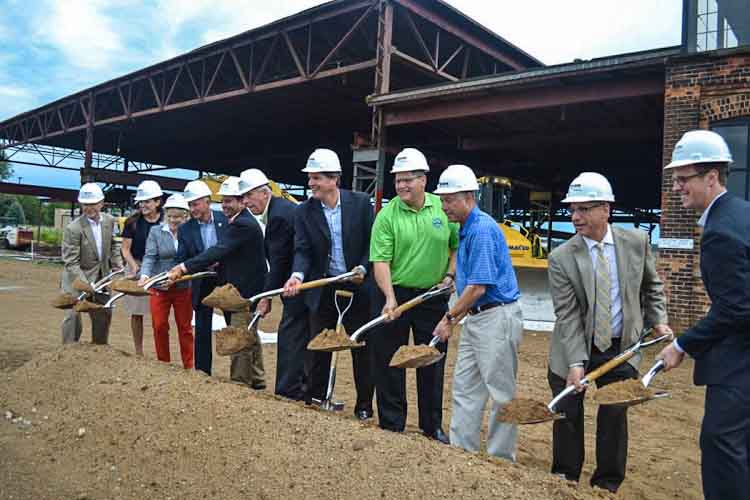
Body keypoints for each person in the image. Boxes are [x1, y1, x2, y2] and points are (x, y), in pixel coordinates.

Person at [547, 172, 670, 492]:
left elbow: (651, 286)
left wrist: (658, 319)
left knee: (615, 412)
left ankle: (607, 483)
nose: (575, 217)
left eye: (584, 209)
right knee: (567, 412)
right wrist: (576, 362)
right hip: (574, 344)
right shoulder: (561, 257)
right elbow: (568, 314)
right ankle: (565, 477)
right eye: (572, 209)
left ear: (606, 209)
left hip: (622, 345)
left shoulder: (635, 243)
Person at [657, 130, 750, 500]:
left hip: (739, 363)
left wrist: (682, 343)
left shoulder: (721, 232)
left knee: (721, 445)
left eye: (684, 179)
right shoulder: (742, 213)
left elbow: (736, 308)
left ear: (712, 177)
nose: (677, 187)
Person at [432, 164, 522, 461]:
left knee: (500, 391)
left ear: (469, 196)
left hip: (496, 316)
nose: (444, 206)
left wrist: (449, 319)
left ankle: (500, 458)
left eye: (449, 200)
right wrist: (450, 278)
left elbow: (479, 287)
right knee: (465, 386)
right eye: (442, 200)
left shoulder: (482, 229)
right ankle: (462, 453)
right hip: (478, 316)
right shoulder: (465, 228)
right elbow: (467, 277)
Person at [369, 148, 457, 443]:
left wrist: (451, 275)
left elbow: (456, 246)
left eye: (408, 180)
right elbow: (380, 260)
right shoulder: (387, 215)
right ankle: (392, 424)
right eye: (398, 180)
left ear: (423, 180)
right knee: (390, 359)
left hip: (433, 296)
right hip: (397, 294)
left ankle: (432, 426)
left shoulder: (442, 209)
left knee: (431, 359)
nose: (402, 186)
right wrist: (389, 297)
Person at [283, 148, 375, 420]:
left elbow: (373, 244)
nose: (311, 184)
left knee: (361, 347)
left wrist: (362, 268)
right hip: (325, 287)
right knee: (319, 345)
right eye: (310, 178)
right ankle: (315, 397)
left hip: (358, 286)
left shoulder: (360, 203)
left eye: (316, 178)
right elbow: (302, 249)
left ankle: (364, 406)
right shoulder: (304, 211)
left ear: (334, 178)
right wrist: (298, 275)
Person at [169, 177, 268, 389]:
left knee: (239, 335)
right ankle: (257, 381)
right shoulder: (239, 221)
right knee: (247, 333)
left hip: (241, 289)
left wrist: (184, 268)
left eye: (230, 201)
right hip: (221, 285)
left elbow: (219, 250)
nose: (225, 205)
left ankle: (240, 384)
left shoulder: (241, 224)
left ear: (242, 201)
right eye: (223, 201)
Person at [240, 168, 309, 400]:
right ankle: (302, 387)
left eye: (250, 196)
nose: (246, 202)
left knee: (291, 334)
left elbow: (278, 262)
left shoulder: (279, 216)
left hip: (298, 284)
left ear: (265, 192)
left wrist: (265, 297)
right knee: (302, 333)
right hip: (300, 280)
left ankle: (288, 389)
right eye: (244, 197)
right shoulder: (281, 210)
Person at [175, 180, 227, 375]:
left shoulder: (226, 220)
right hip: (202, 281)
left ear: (207, 201)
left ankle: (241, 376)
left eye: (195, 204)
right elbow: (181, 258)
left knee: (233, 323)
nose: (192, 209)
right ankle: (203, 372)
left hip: (226, 280)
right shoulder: (185, 229)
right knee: (203, 329)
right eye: (190, 205)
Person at [60, 183, 123, 344]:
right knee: (73, 316)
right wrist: (85, 284)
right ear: (81, 204)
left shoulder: (110, 221)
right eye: (86, 204)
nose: (90, 208)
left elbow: (115, 244)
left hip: (102, 277)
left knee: (104, 313)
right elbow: (71, 262)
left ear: (101, 203)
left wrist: (117, 263)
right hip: (77, 278)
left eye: (93, 204)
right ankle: (67, 352)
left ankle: (99, 350)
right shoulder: (73, 228)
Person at [138, 194, 194, 369]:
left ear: (186, 216)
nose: (173, 220)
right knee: (159, 325)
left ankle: (189, 365)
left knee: (185, 327)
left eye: (177, 217)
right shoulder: (156, 232)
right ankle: (163, 363)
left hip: (183, 287)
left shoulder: (192, 232)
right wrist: (145, 275)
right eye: (169, 216)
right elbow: (149, 256)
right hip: (160, 287)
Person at [121, 180, 163, 356]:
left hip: (159, 269)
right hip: (136, 267)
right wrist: (134, 266)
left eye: (147, 201)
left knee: (159, 313)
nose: (143, 205)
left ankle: (160, 351)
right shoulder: (132, 222)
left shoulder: (167, 221)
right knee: (136, 312)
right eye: (141, 201)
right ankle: (139, 352)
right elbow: (125, 249)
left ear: (157, 202)